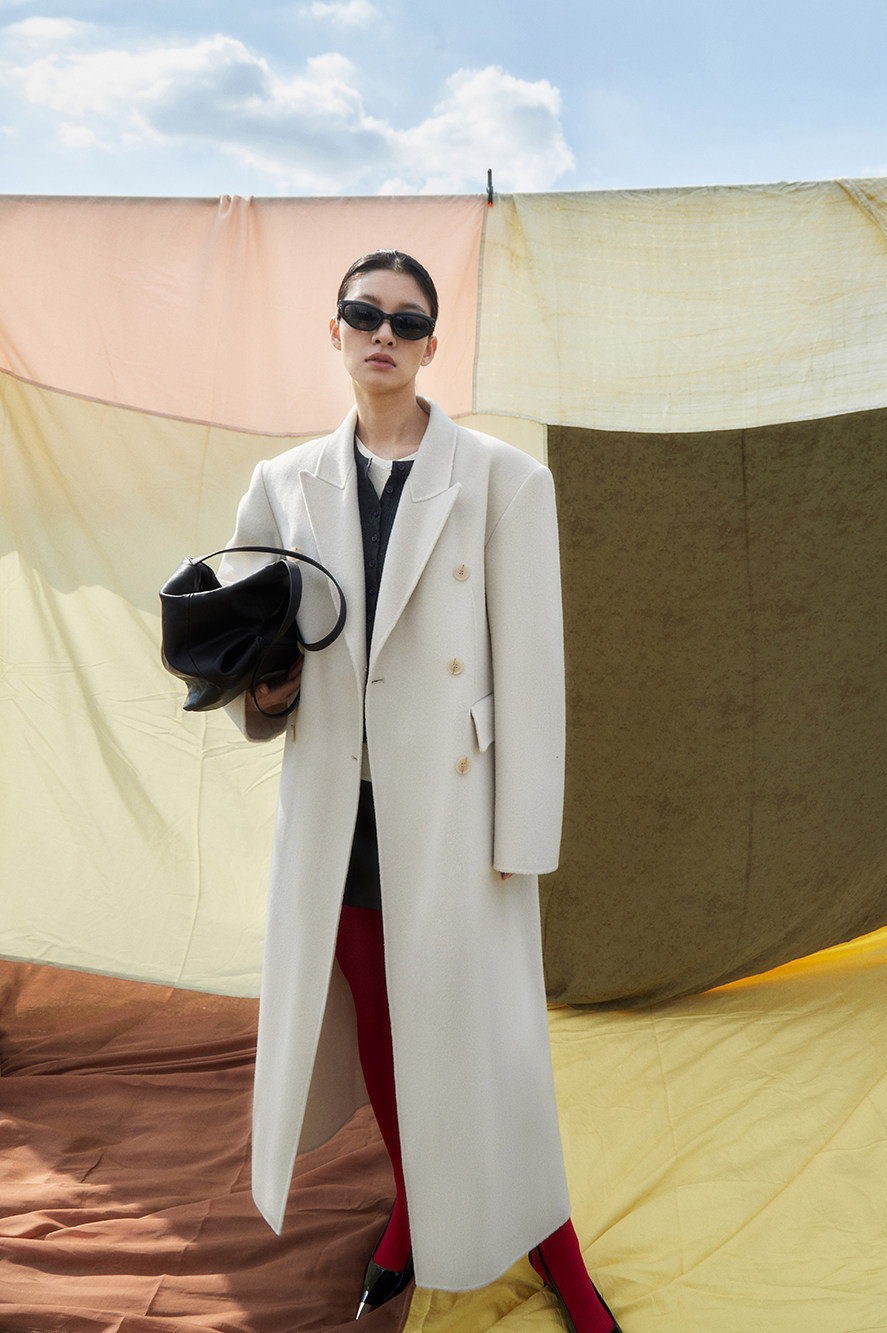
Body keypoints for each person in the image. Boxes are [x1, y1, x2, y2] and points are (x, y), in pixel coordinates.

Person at [221, 250, 620, 1332]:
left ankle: (561, 1254)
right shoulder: (281, 483)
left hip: (457, 814)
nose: (383, 332)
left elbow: (532, 674)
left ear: (433, 344)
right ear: (337, 331)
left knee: (491, 1048)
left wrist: (522, 838)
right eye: (364, 313)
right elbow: (259, 655)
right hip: (339, 816)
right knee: (389, 1034)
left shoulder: (504, 480)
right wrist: (264, 686)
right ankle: (412, 1218)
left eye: (406, 319)